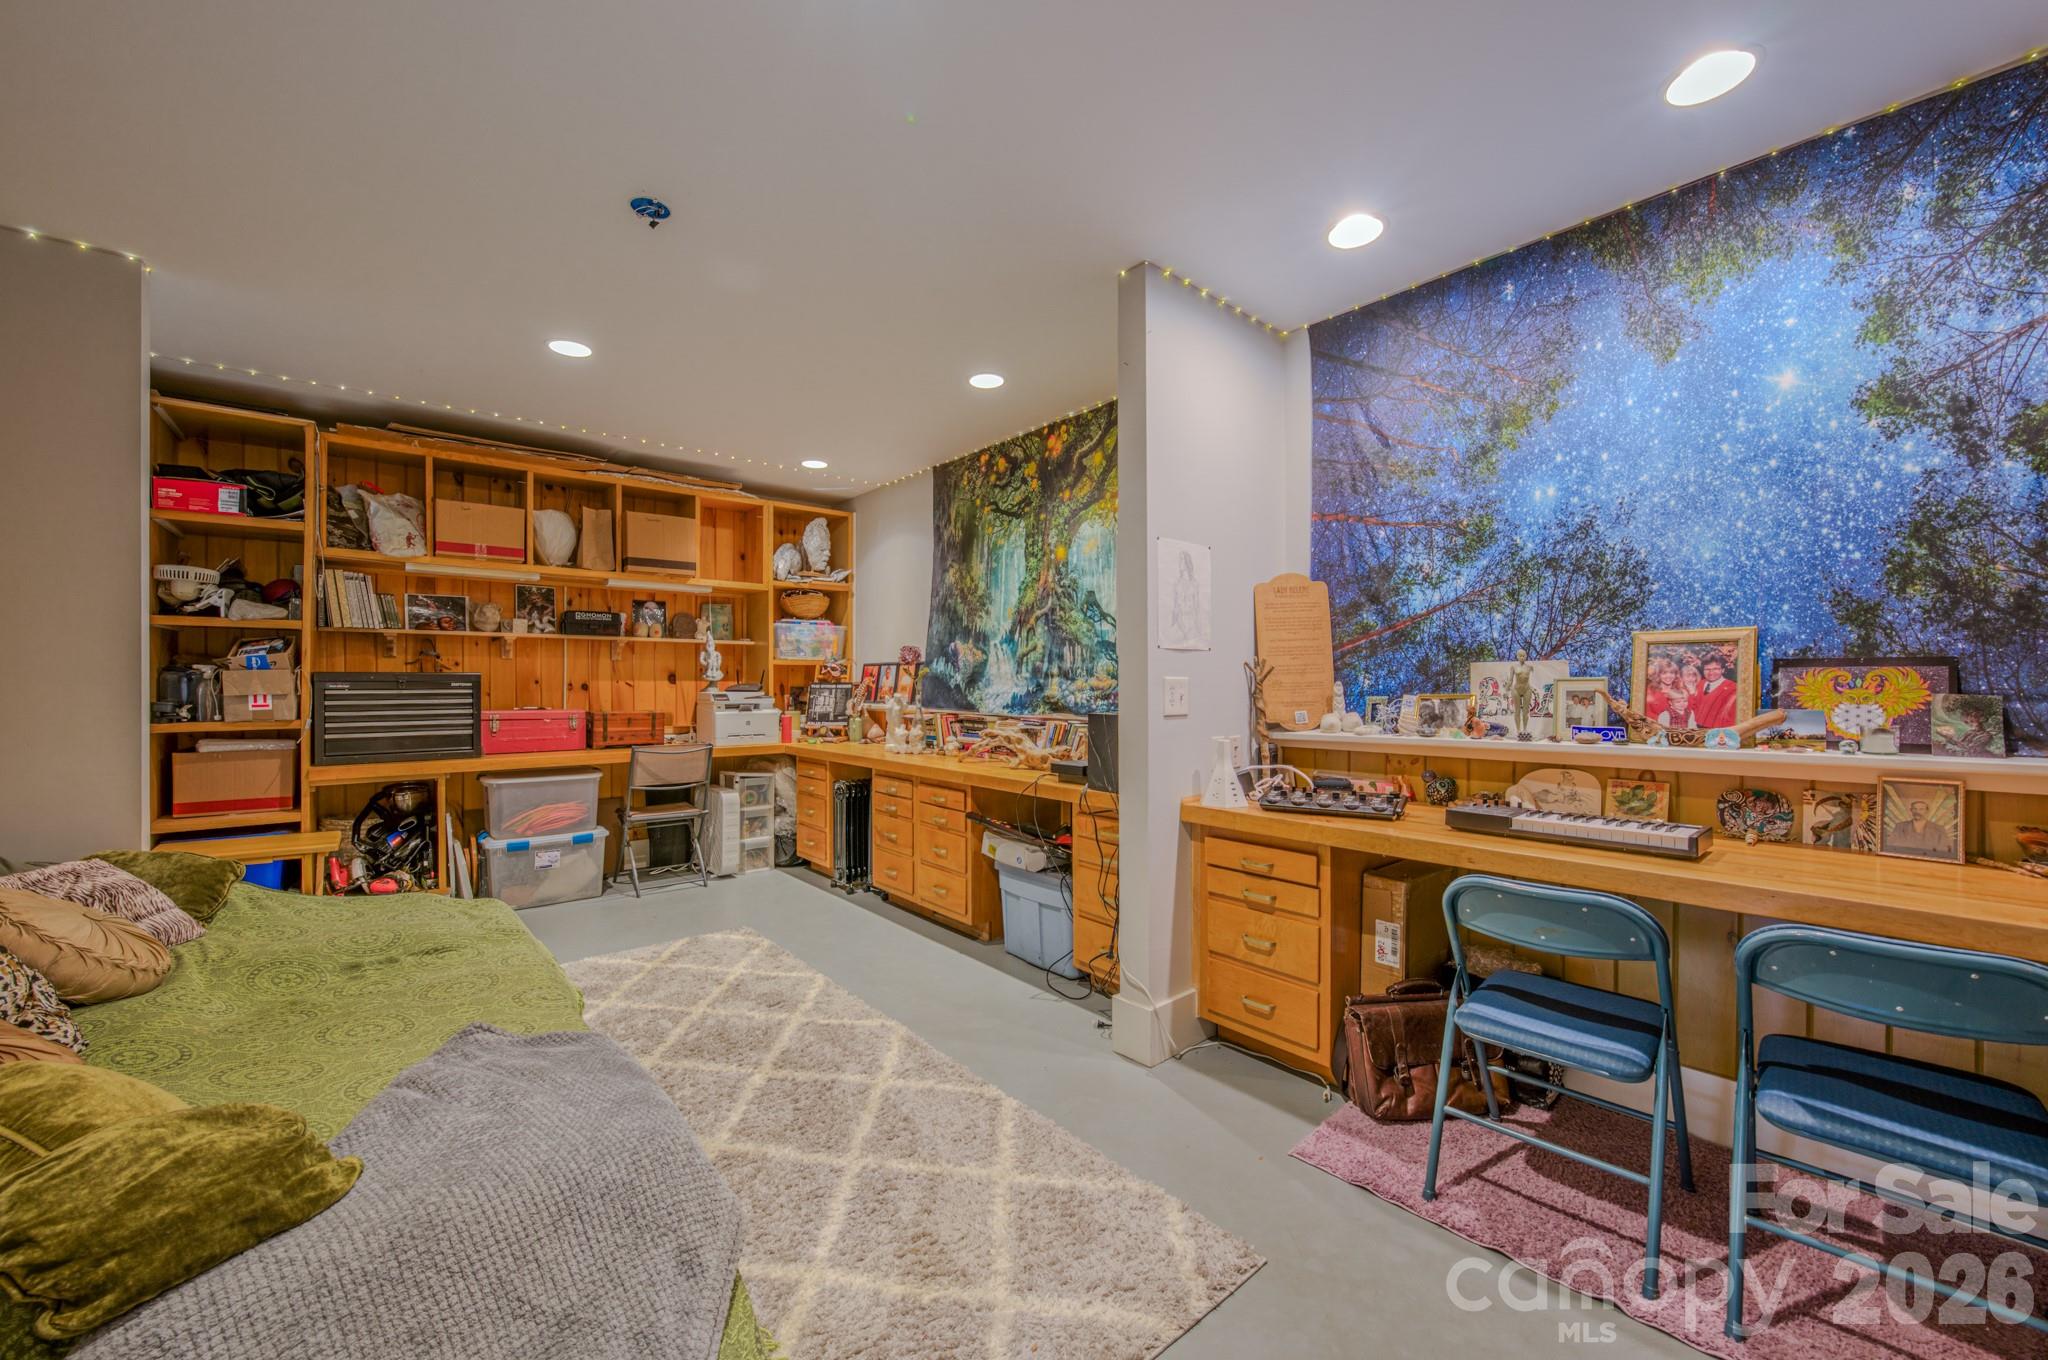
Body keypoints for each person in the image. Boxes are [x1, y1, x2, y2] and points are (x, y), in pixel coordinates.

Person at [1887, 798, 1955, 858]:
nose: (1917, 812)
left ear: (1927, 811)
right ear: (1911, 810)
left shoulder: (1939, 829)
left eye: (1921, 809)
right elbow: (1891, 846)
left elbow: (1945, 850)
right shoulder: (1899, 826)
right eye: (1915, 809)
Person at [1692, 653, 1739, 729]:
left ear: (1723, 670)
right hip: (1695, 729)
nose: (1711, 673)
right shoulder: (1700, 684)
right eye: (1707, 669)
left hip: (1717, 731)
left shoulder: (1733, 688)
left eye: (1715, 669)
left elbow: (1732, 716)